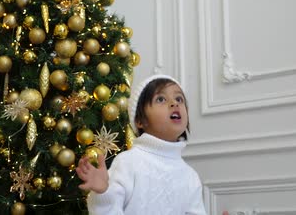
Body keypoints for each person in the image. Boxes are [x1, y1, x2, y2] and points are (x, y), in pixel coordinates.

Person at [76, 74, 207, 215]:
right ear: (140, 121)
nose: (174, 103)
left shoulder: (190, 177)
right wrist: (103, 193)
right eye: (161, 99)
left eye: (179, 99)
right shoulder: (128, 162)